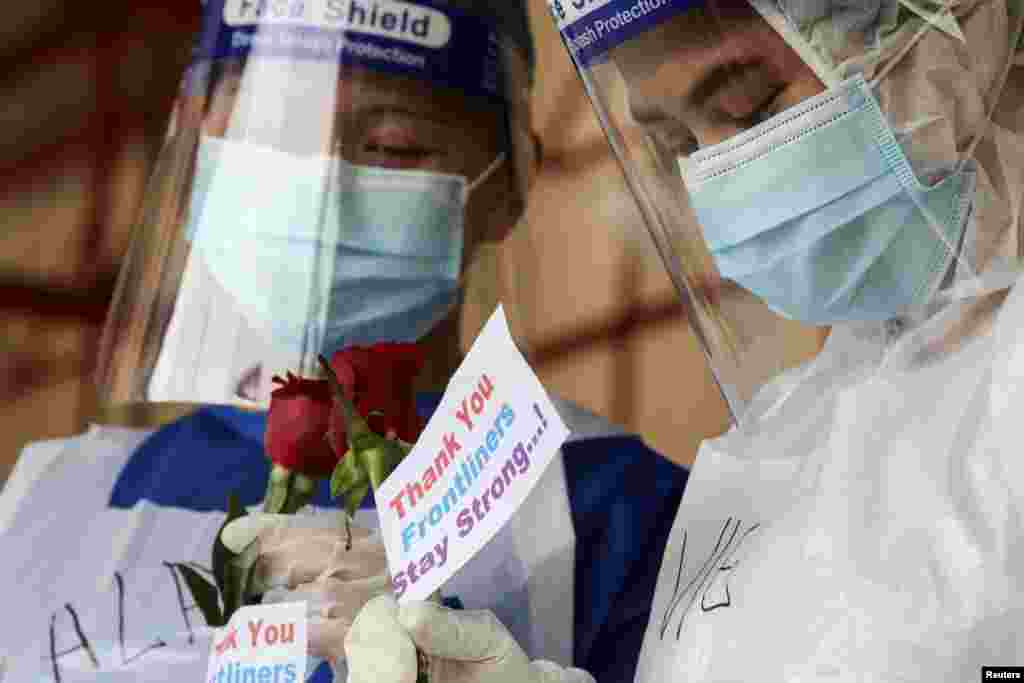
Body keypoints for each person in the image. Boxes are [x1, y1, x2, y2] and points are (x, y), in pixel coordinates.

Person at [325, 0, 1024, 681]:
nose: (729, 175)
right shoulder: (798, 429)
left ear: (958, 23)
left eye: (752, 105)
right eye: (679, 145)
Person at [0, 1, 689, 682]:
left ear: (510, 180)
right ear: (195, 134)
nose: (321, 189)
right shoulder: (48, 506)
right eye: (267, 128)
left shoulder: (621, 513)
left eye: (393, 145)